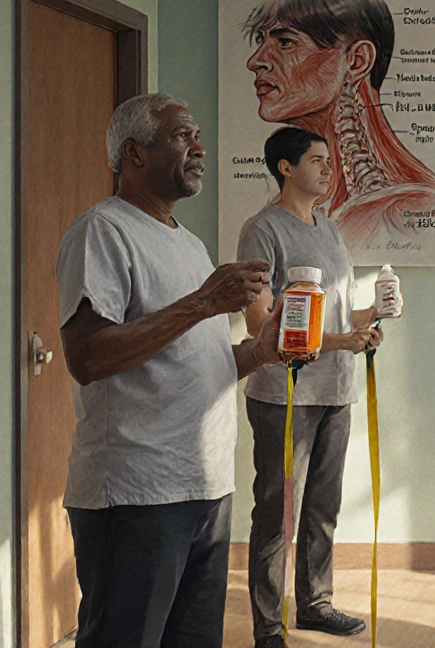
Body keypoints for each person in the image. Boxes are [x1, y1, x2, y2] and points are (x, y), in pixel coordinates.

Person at [57, 94, 281, 647]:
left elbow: (198, 364)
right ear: (134, 154)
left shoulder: (190, 245)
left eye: (196, 134)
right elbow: (87, 356)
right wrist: (204, 302)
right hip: (136, 496)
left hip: (205, 487)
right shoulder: (103, 232)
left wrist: (262, 350)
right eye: (182, 136)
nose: (198, 147)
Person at [237, 127, 385, 647]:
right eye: (317, 160)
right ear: (285, 167)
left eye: (329, 160)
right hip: (284, 395)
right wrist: (342, 339)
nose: (328, 168)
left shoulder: (330, 227)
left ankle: (316, 605)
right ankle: (268, 628)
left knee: (323, 508)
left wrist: (371, 320)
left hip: (336, 391)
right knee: (278, 515)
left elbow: (340, 313)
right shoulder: (262, 230)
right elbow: (259, 323)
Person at [245, 0, 435, 247]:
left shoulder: (408, 210)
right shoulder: (280, 218)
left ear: (356, 61)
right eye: (261, 40)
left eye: (285, 42)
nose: (256, 61)